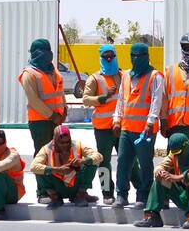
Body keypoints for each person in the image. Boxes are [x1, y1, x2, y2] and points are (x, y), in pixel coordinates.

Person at [112, 42, 165, 209]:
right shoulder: (127, 75)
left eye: (139, 56)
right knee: (123, 161)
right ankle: (121, 195)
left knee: (145, 163)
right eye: (132, 56)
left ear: (146, 57)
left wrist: (150, 122)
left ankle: (143, 195)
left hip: (145, 130)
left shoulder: (155, 76)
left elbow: (156, 101)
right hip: (127, 128)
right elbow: (121, 99)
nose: (135, 59)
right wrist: (116, 119)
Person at [135, 133, 189, 229]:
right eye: (175, 154)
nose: (177, 156)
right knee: (161, 179)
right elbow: (161, 165)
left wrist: (178, 177)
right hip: (184, 196)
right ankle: (152, 215)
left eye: (179, 153)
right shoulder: (174, 153)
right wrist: (159, 171)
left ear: (187, 145)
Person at [80, 44, 126, 202]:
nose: (108, 59)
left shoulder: (123, 75)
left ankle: (133, 191)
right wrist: (103, 97)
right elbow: (86, 99)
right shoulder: (95, 78)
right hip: (103, 129)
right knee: (103, 161)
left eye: (111, 56)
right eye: (105, 56)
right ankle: (107, 193)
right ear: (100, 57)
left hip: (122, 126)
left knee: (128, 161)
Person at [29, 124, 101, 207]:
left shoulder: (77, 144)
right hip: (57, 185)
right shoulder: (46, 149)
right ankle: (55, 197)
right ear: (55, 140)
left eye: (67, 142)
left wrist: (83, 161)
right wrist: (57, 169)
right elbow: (33, 166)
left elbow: (98, 156)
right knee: (39, 170)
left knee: (92, 163)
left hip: (75, 184)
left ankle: (80, 195)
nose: (65, 145)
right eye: (61, 142)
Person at [18, 38, 66, 156]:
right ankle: (41, 175)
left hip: (57, 119)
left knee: (56, 154)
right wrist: (53, 116)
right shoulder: (29, 74)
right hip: (40, 122)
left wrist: (65, 110)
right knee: (43, 154)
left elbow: (60, 91)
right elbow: (34, 100)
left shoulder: (53, 70)